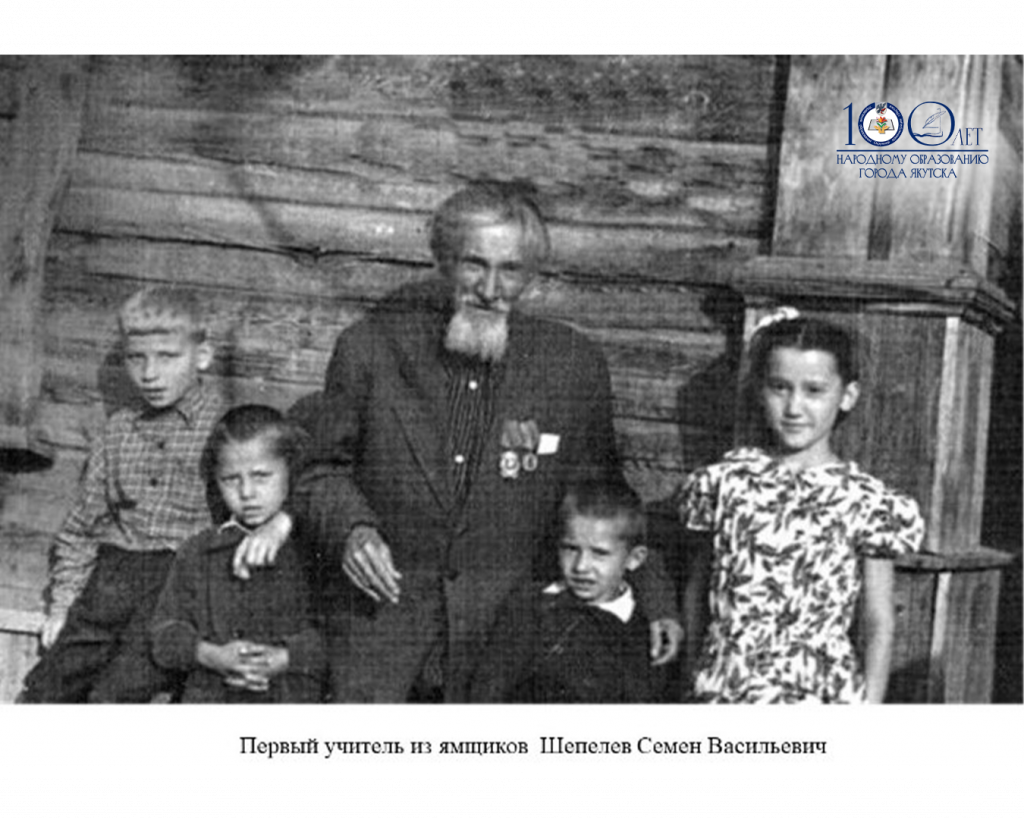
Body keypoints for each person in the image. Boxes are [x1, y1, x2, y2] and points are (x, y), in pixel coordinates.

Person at [241, 181, 681, 702]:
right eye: (475, 264)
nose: (491, 289)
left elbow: (604, 496)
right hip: (381, 625)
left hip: (505, 637)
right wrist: (353, 531)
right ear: (444, 261)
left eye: (510, 270)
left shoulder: (571, 365)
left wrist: (656, 598)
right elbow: (319, 471)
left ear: (531, 276)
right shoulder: (369, 348)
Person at [677, 310, 925, 704]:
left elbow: (878, 621)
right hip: (726, 692)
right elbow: (698, 590)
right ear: (760, 389)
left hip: (820, 698)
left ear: (847, 396)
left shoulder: (865, 501)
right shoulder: (726, 483)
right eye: (780, 387)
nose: (794, 407)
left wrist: (870, 711)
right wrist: (693, 676)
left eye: (813, 390)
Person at [19, 286, 224, 703]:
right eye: (136, 358)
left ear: (202, 356)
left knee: (113, 698)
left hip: (179, 586)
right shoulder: (118, 431)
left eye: (167, 357)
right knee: (44, 690)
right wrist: (63, 605)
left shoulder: (224, 430)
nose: (150, 373)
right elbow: (82, 528)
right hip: (112, 581)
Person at [150, 405, 325, 703]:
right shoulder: (198, 551)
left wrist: (286, 657)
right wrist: (210, 655)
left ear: (290, 472)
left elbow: (341, 636)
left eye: (261, 476)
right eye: (231, 479)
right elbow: (163, 634)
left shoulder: (311, 550)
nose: (246, 492)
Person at [471, 480, 661, 703]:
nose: (581, 566)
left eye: (599, 553)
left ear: (634, 558)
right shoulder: (528, 607)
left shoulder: (639, 633)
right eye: (571, 549)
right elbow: (488, 689)